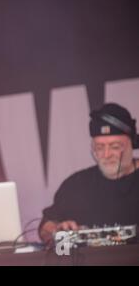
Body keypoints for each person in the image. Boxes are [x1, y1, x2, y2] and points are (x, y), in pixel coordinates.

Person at [39, 103, 139, 245]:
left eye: (115, 147)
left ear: (132, 144)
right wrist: (58, 230)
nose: (106, 154)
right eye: (99, 147)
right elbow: (45, 227)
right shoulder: (75, 185)